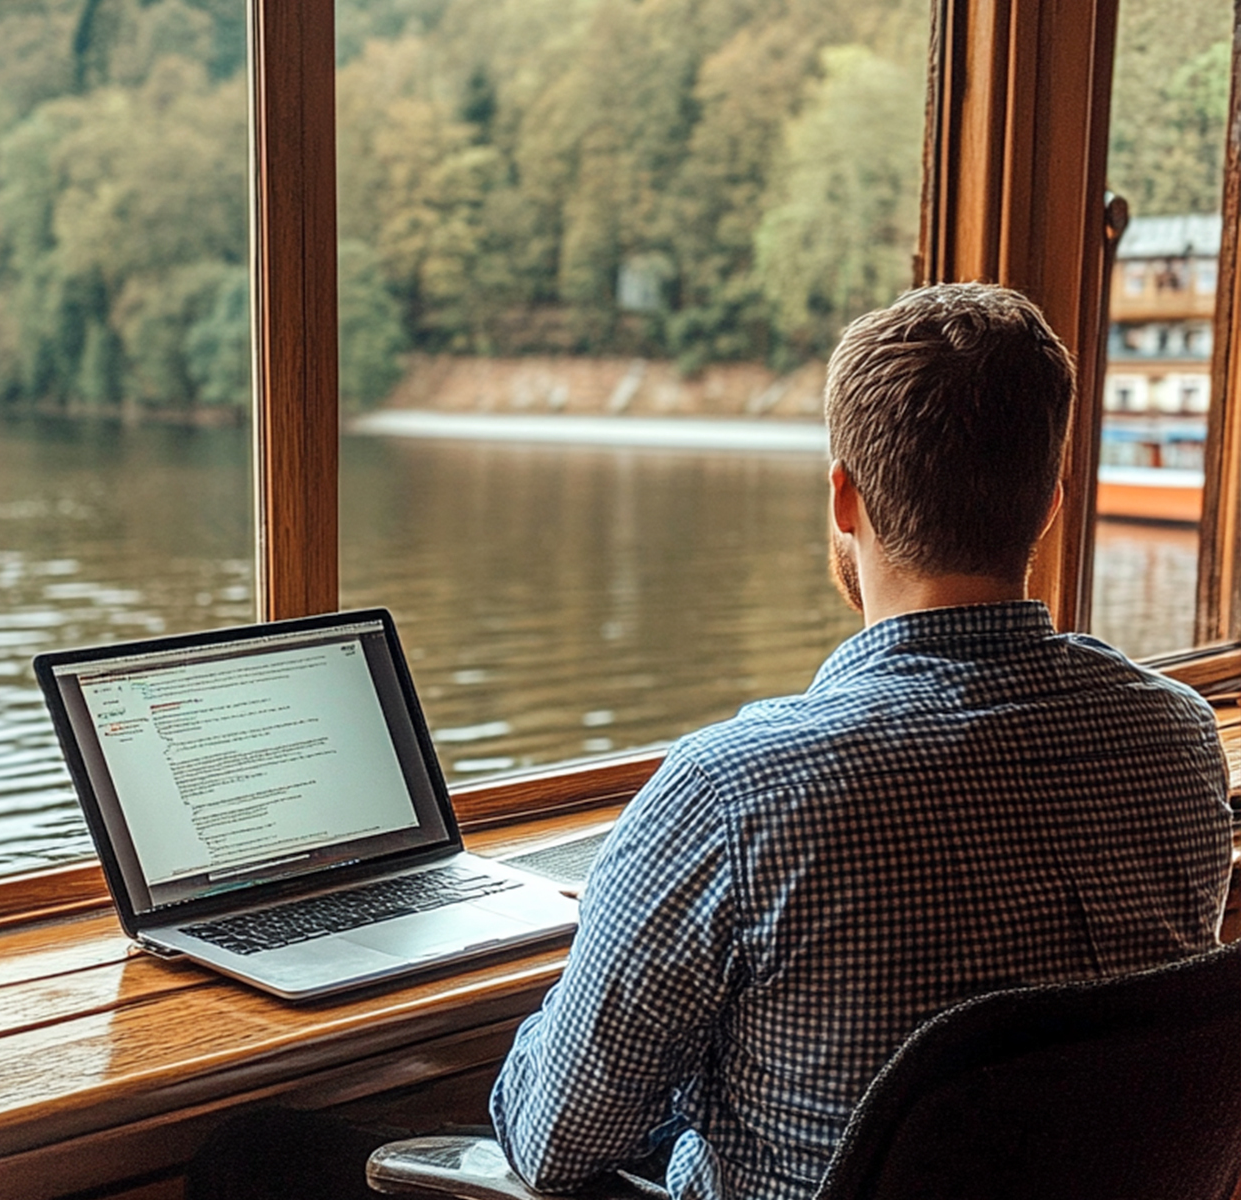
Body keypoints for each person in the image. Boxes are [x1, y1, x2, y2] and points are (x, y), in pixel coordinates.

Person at [489, 283, 1235, 1200]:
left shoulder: (735, 792)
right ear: (1049, 504)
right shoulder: (1177, 737)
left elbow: (553, 1138)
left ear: (845, 499)